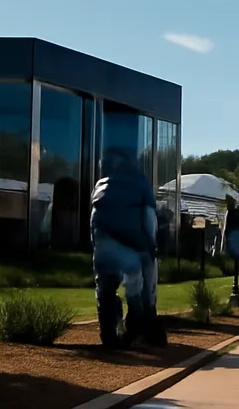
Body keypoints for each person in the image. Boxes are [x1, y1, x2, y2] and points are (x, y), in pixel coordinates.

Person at [90, 149, 167, 348]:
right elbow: (149, 220)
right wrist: (151, 247)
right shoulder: (141, 184)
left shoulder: (100, 186)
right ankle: (137, 331)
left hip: (103, 244)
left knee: (105, 290)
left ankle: (108, 335)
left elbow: (93, 221)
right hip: (133, 246)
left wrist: (95, 244)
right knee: (137, 290)